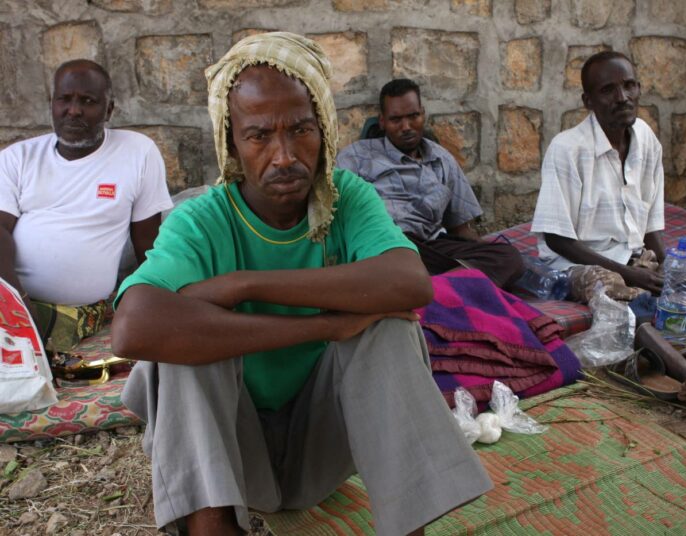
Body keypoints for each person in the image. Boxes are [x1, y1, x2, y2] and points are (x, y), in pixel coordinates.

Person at [112, 33, 492, 536]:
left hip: (324, 445)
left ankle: (408, 527)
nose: (285, 155)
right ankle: (212, 527)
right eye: (259, 136)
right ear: (231, 142)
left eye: (301, 129)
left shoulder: (346, 197)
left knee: (388, 330)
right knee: (182, 352)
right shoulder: (202, 220)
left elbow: (408, 281)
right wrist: (327, 326)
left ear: (325, 128)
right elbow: (134, 328)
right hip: (229, 453)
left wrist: (244, 285)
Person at [0, 59, 172, 342]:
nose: (74, 111)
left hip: (82, 315)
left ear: (109, 109)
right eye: (64, 99)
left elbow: (149, 246)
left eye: (88, 101)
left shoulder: (137, 153)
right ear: (52, 104)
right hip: (13, 300)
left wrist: (153, 309)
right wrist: (18, 303)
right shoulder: (18, 158)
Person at [336, 78, 524, 289]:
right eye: (396, 119)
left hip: (429, 249)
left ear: (423, 114)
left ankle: (430, 288)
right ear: (382, 122)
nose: (406, 127)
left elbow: (461, 229)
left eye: (413, 116)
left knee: (509, 258)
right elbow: (340, 215)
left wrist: (483, 252)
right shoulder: (357, 156)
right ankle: (447, 286)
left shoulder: (442, 159)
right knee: (388, 262)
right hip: (384, 245)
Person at [531, 51, 665, 299]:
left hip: (637, 259)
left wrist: (668, 269)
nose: (622, 98)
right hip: (583, 266)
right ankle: (643, 328)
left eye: (629, 86)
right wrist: (629, 274)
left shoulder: (646, 139)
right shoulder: (567, 149)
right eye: (608, 90)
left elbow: (651, 226)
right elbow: (557, 239)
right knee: (610, 288)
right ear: (588, 101)